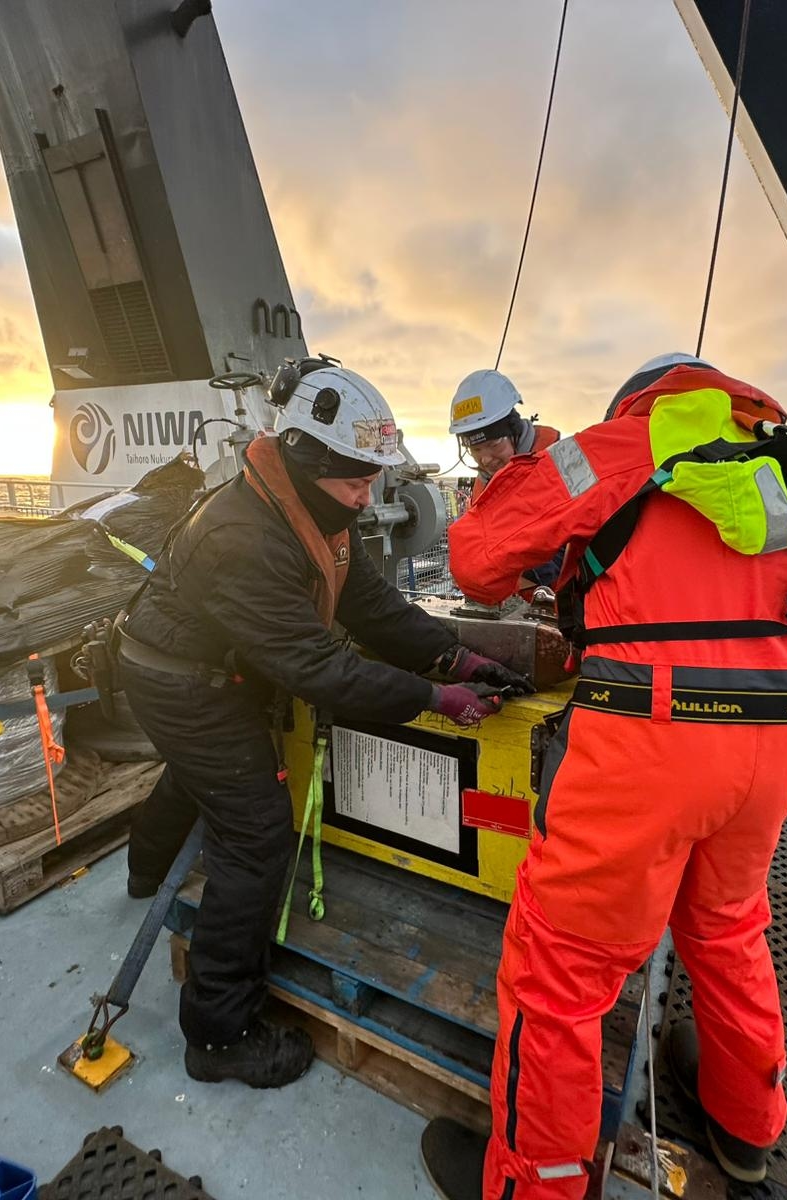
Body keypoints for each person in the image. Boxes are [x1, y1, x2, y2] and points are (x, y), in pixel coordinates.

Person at [420, 353, 787, 1196]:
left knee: (561, 974)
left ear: (637, 401)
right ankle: (745, 1127)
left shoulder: (615, 449)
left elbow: (473, 563)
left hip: (651, 740)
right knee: (726, 926)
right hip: (774, 740)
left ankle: (531, 1184)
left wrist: (516, 488)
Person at [116, 358, 533, 1090]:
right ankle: (217, 1035)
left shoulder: (315, 512)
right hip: (180, 682)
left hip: (210, 667)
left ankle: (145, 870)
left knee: (199, 776)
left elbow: (370, 607)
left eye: (374, 478)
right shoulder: (242, 539)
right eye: (356, 480)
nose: (368, 496)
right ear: (307, 462)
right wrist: (437, 701)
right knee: (254, 832)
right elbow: (320, 669)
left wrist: (455, 658)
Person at [448, 369, 563, 592]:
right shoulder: (486, 482)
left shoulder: (555, 463)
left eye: (494, 444)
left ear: (515, 431)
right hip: (517, 602)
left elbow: (576, 530)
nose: (486, 458)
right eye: (476, 448)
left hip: (565, 601)